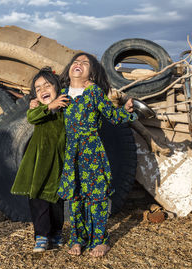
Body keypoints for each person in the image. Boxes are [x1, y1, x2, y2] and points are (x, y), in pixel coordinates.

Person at [57, 52, 137, 257]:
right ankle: (77, 239)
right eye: (76, 61)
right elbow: (45, 107)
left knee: (97, 196)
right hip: (70, 152)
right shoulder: (62, 93)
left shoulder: (94, 93)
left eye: (85, 63)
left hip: (92, 150)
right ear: (69, 69)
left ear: (92, 73)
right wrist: (36, 104)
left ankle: (100, 240)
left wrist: (127, 110)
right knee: (75, 197)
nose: (79, 64)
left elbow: (113, 116)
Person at [11, 67, 69, 253]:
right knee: (38, 200)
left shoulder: (66, 108)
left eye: (47, 85)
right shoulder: (38, 110)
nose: (43, 89)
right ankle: (41, 236)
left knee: (57, 202)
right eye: (38, 88)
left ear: (57, 88)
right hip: (39, 164)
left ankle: (56, 233)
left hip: (58, 163)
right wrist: (48, 107)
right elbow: (32, 117)